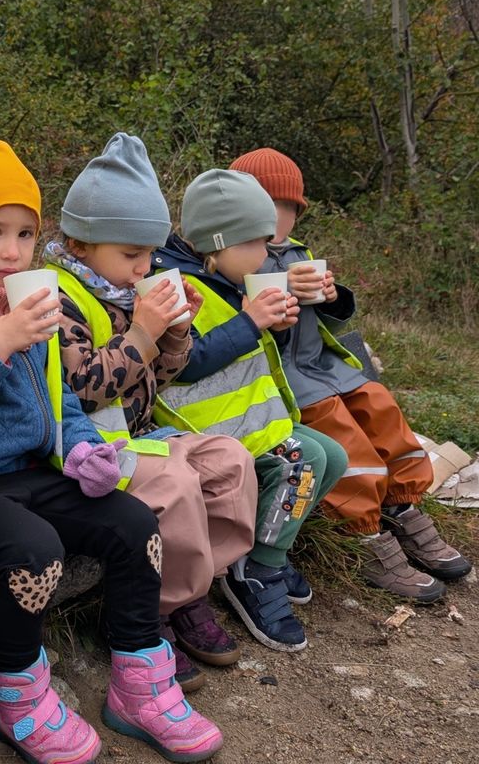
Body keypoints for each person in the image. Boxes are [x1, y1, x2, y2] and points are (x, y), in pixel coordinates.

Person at [0, 135, 223, 764]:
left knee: (133, 522)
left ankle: (139, 680)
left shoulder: (31, 298)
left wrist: (82, 446)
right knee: (35, 551)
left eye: (23, 233)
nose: (12, 251)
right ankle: (10, 688)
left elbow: (60, 399)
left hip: (35, 472)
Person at [46, 133, 257, 691]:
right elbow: (86, 389)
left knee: (229, 462)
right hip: (90, 451)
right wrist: (143, 330)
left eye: (151, 255)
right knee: (178, 482)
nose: (144, 269)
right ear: (78, 243)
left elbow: (154, 380)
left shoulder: (124, 290)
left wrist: (174, 336)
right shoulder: (58, 296)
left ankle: (196, 588)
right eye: (131, 255)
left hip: (141, 434)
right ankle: (153, 612)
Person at [229, 148, 471, 600]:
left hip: (324, 366)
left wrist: (332, 296)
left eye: (286, 210)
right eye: (266, 208)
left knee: (380, 407)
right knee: (340, 432)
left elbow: (330, 324)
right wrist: (276, 297)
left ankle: (402, 502)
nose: (276, 220)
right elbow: (242, 322)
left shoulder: (299, 253)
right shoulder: (239, 261)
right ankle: (364, 532)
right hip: (285, 378)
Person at [156, 169, 348, 652]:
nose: (267, 255)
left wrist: (278, 322)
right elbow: (185, 365)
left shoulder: (225, 275)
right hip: (199, 429)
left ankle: (270, 550)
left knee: (333, 456)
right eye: (258, 244)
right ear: (217, 245)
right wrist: (250, 322)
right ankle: (255, 569)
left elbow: (245, 357)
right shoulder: (175, 285)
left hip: (247, 421)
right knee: (303, 461)